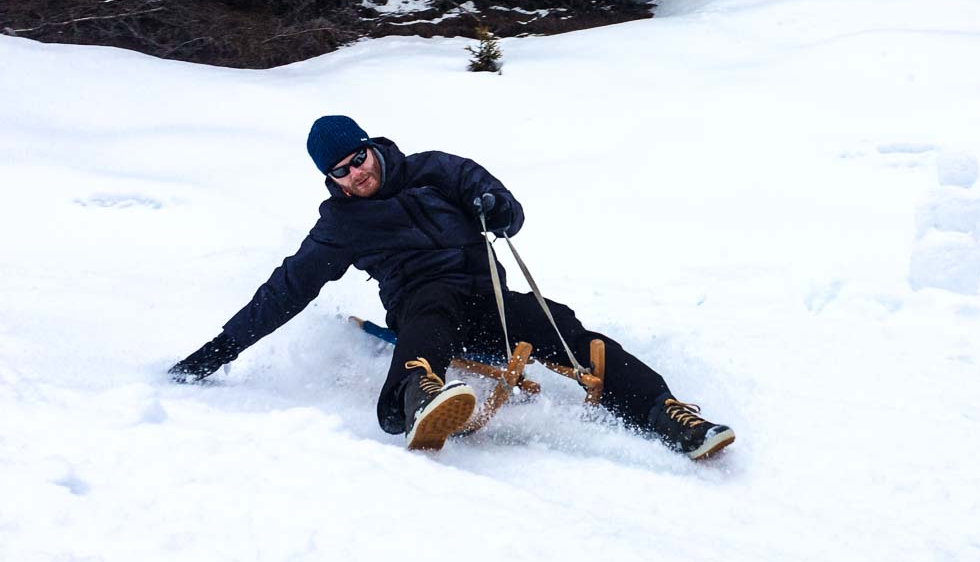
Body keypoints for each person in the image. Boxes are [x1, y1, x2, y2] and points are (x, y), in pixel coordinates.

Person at [169, 115, 735, 460]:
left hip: (488, 302)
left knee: (560, 324)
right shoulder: (340, 226)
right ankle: (418, 395)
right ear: (331, 179)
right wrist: (218, 351)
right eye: (341, 171)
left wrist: (498, 208)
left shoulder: (437, 170)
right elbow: (286, 289)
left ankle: (664, 411)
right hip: (423, 307)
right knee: (429, 311)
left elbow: (505, 206)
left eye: (358, 159)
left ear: (370, 147)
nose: (356, 174)